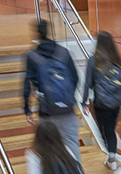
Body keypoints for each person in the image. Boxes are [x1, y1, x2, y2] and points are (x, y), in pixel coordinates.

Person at [23, 19, 81, 163]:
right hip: (67, 110)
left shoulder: (32, 57)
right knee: (71, 142)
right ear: (48, 31)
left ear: (36, 34)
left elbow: (26, 84)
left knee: (48, 146)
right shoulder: (64, 53)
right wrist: (66, 98)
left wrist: (27, 108)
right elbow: (76, 78)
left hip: (46, 111)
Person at [80, 31, 121, 171]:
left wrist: (84, 102)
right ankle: (111, 156)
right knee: (111, 129)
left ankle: (109, 154)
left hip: (101, 103)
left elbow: (87, 83)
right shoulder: (116, 59)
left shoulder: (94, 60)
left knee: (102, 129)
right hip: (115, 103)